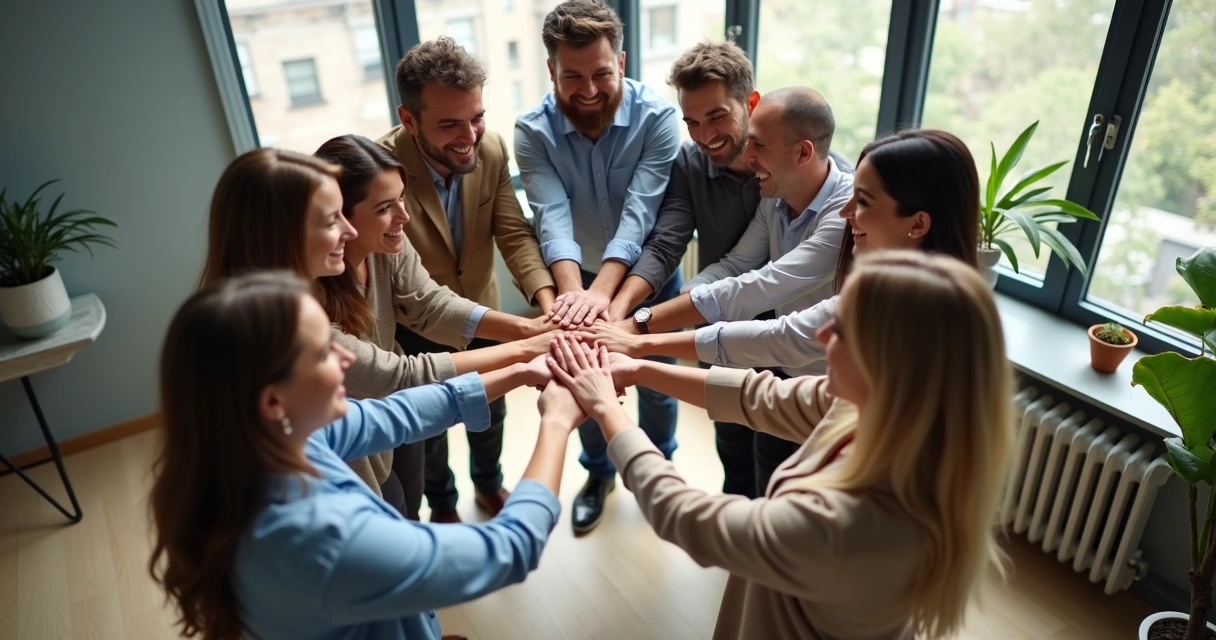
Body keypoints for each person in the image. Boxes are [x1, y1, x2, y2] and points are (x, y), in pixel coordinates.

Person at [548, 250, 1014, 640]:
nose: (823, 334)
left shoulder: (847, 524)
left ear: (891, 361)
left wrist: (607, 409)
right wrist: (637, 367)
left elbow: (685, 516)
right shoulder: (887, 412)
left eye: (843, 329)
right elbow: (760, 397)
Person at [149, 271, 588, 640]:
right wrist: (556, 423)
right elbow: (508, 549)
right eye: (323, 351)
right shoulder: (323, 539)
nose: (346, 358)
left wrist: (522, 372)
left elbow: (393, 414)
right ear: (272, 402)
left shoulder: (265, 443)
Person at [583, 128, 976, 494]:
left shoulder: (895, 313)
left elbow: (781, 332)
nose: (847, 213)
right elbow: (764, 397)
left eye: (865, 201)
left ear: (918, 223)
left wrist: (635, 347)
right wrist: (635, 359)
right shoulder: (895, 299)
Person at [203, 146, 554, 515]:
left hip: (378, 424)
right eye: (331, 219)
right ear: (282, 234)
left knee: (407, 507)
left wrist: (526, 332)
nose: (348, 230)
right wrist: (529, 356)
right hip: (358, 454)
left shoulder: (367, 254)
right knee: (397, 513)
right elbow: (395, 379)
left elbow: (428, 307)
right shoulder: (285, 320)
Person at [604, 43, 852, 499]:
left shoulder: (846, 211)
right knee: (745, 467)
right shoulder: (773, 193)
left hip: (820, 382)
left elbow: (765, 288)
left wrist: (640, 329)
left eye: (717, 118)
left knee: (800, 495)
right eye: (692, 122)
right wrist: (641, 317)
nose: (704, 135)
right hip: (754, 356)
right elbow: (731, 265)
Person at [514, 0, 681, 533]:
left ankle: (658, 470)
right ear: (551, 71)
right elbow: (552, 219)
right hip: (575, 276)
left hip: (646, 277)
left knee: (656, 379)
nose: (588, 90)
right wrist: (574, 299)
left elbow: (640, 214)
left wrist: (606, 297)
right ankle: (599, 472)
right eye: (572, 77)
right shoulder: (531, 131)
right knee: (581, 375)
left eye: (601, 74)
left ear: (622, 62)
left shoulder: (659, 118)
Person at [376, 37, 557, 523]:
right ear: (409, 120)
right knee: (429, 432)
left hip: (483, 310)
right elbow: (409, 288)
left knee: (490, 414)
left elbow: (514, 234)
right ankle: (443, 504)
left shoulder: (492, 148)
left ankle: (489, 484)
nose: (469, 135)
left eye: (476, 117)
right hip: (413, 326)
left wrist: (547, 302)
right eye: (449, 124)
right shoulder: (380, 171)